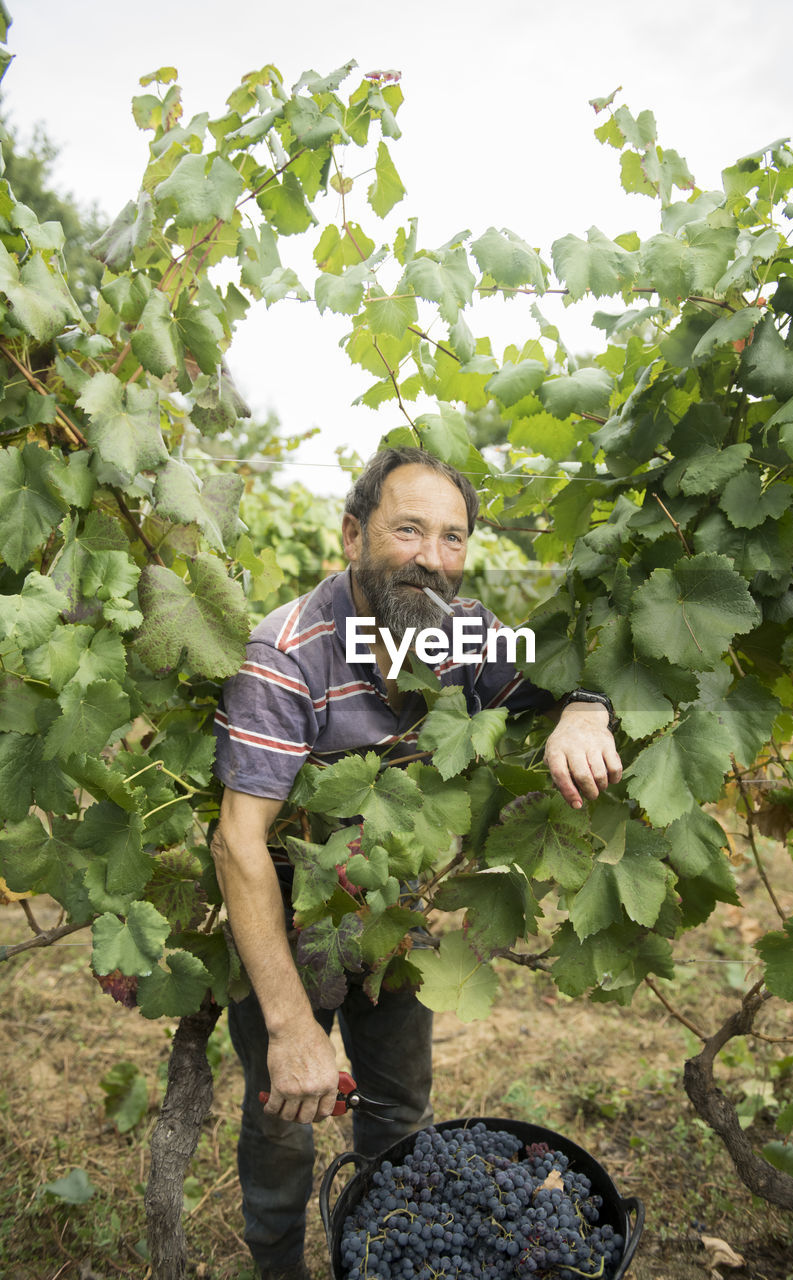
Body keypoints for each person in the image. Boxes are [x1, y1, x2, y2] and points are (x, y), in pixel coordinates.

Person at [210, 447, 622, 1280]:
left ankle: (386, 1250)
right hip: (288, 911)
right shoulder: (287, 654)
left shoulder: (458, 629)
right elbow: (238, 842)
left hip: (395, 911)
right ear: (353, 533)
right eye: (408, 530)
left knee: (399, 1106)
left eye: (453, 538)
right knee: (285, 1118)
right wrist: (292, 1025)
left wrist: (584, 709)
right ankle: (280, 1265)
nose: (432, 558)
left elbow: (563, 678)